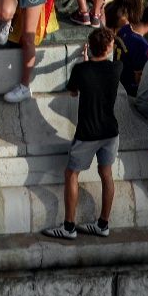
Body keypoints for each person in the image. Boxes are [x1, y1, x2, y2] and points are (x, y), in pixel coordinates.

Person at [41, 28, 120, 239]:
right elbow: (103, 69)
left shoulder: (81, 70)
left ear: (90, 47)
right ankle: (103, 223)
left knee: (71, 174)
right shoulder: (116, 68)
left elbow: (74, 91)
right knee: (106, 173)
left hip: (87, 132)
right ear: (108, 48)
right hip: (110, 131)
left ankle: (69, 226)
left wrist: (85, 63)